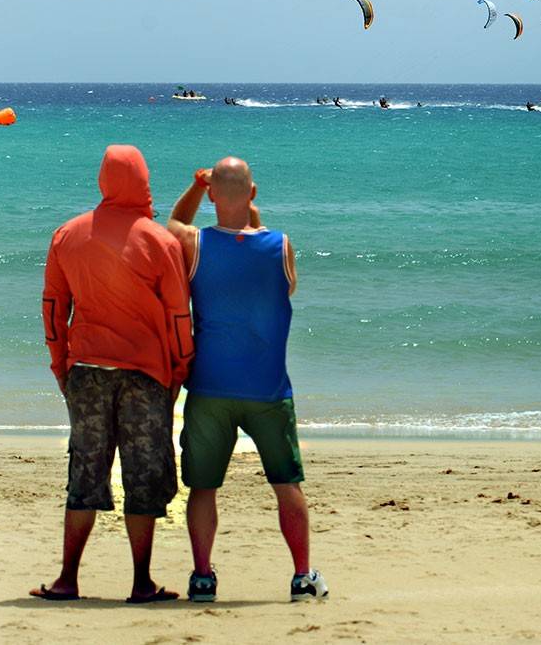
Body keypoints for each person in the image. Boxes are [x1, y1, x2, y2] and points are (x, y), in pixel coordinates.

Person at [34, 144, 192, 604]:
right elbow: (179, 316)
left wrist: (59, 363)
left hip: (86, 370)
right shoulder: (158, 241)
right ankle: (141, 583)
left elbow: (52, 308)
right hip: (145, 377)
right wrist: (180, 368)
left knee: (84, 474)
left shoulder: (67, 234)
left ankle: (67, 580)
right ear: (143, 180)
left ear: (103, 180)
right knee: (143, 478)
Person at [167, 158, 327, 603]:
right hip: (269, 390)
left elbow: (174, 221)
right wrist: (249, 218)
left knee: (203, 487)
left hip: (210, 389)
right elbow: (283, 285)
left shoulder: (194, 244)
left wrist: (197, 185)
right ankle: (301, 577)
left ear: (214, 194)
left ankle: (202, 577)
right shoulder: (281, 246)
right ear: (254, 194)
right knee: (286, 484)